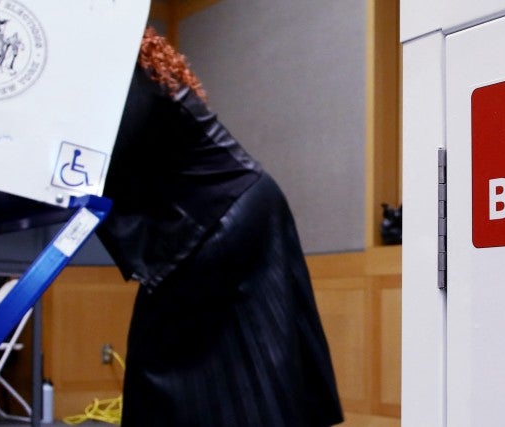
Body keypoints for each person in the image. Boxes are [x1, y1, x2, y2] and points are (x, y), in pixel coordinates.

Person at [94, 27, 345, 426]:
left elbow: (97, 158)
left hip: (220, 215)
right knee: (254, 366)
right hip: (235, 209)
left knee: (164, 363)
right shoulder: (132, 62)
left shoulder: (117, 66)